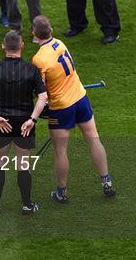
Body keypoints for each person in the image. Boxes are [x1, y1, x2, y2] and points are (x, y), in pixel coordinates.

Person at [30, 15, 116, 203]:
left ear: (34, 34)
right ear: (50, 30)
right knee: (94, 140)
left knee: (61, 151)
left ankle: (61, 192)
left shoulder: (38, 59)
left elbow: (41, 91)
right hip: (80, 97)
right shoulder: (59, 43)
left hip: (61, 107)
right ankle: (107, 181)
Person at [0, 30, 48, 216]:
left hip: (1, 123)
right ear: (22, 46)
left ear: (3, 47)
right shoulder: (31, 69)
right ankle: (26, 205)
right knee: (23, 164)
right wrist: (32, 119)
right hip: (24, 124)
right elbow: (43, 97)